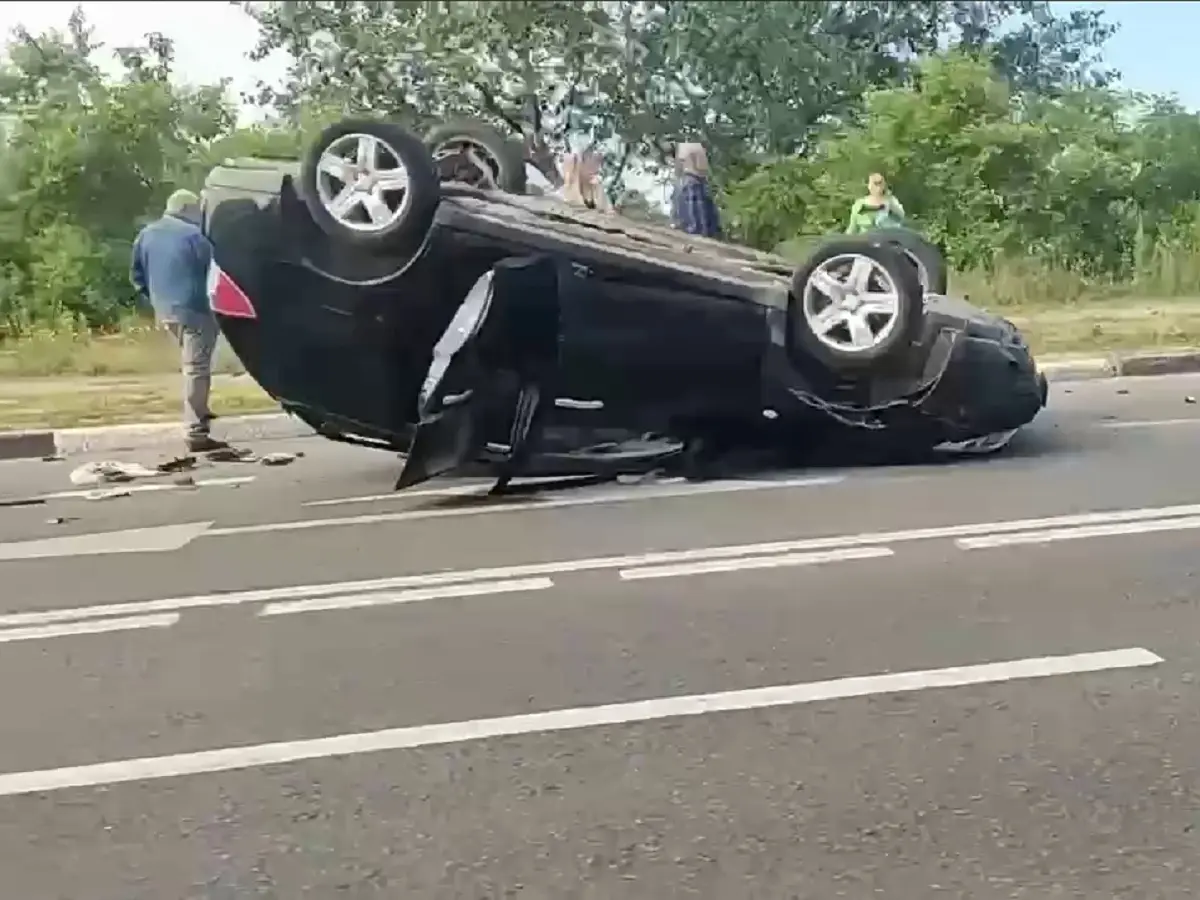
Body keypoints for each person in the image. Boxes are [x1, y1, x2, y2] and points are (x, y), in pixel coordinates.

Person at [131, 189, 229, 453]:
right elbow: (215, 272)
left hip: (166, 311)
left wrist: (156, 300)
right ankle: (196, 432)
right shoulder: (195, 237)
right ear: (187, 209)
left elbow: (137, 276)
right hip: (195, 310)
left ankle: (200, 411)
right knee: (197, 369)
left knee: (192, 364)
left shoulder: (146, 234)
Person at [671, 142, 721, 238]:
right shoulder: (698, 147)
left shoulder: (683, 147)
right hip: (700, 178)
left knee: (691, 203)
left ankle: (692, 227)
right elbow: (703, 167)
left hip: (690, 176)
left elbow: (679, 168)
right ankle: (704, 229)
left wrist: (679, 175)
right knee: (701, 204)